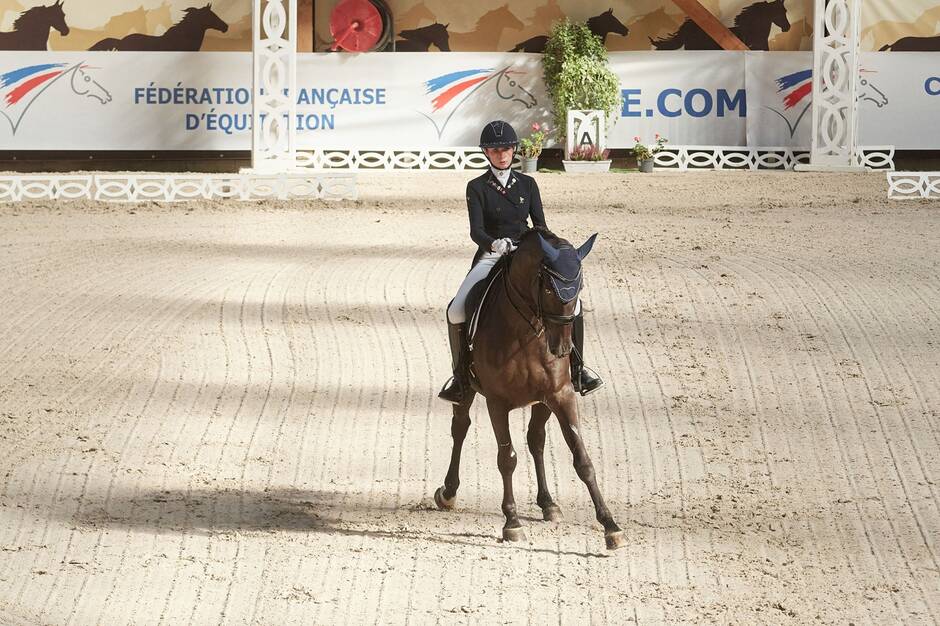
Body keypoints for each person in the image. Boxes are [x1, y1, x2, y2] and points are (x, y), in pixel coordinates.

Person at [438, 119, 603, 404]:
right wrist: (494, 243)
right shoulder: (476, 187)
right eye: (495, 150)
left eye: (507, 149)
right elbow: (475, 230)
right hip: (493, 254)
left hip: (526, 254)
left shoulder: (528, 183)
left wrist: (552, 248)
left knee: (572, 304)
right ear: (486, 153)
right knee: (456, 309)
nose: (502, 154)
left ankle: (578, 369)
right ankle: (461, 377)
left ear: (514, 151)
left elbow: (540, 225)